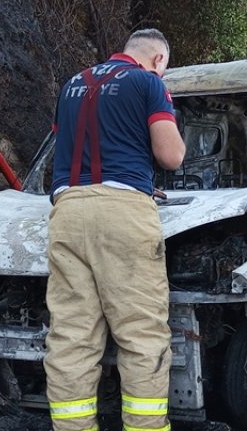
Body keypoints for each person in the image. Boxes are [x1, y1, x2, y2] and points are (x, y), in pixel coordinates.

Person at [43, 29, 186, 431]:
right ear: (158, 60)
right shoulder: (149, 83)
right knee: (140, 335)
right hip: (123, 213)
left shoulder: (72, 84)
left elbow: (74, 146)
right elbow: (171, 156)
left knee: (72, 336)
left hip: (67, 212)